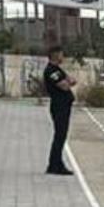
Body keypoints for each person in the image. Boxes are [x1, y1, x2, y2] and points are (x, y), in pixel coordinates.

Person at [43, 45, 76, 176]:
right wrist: (69, 82)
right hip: (59, 106)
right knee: (59, 135)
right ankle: (54, 164)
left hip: (64, 105)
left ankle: (56, 162)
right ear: (55, 55)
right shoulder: (51, 70)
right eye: (61, 54)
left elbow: (71, 79)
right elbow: (64, 85)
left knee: (61, 135)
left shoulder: (58, 69)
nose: (63, 57)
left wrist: (69, 81)